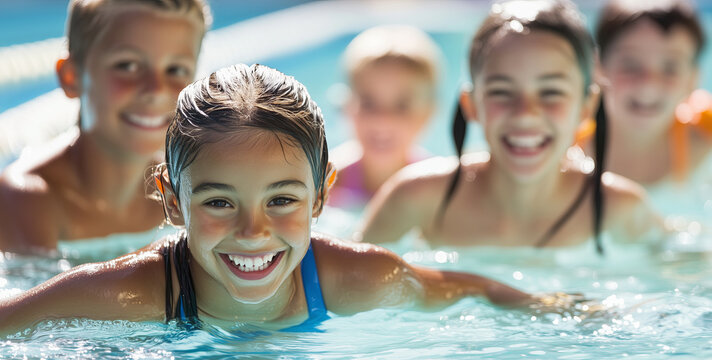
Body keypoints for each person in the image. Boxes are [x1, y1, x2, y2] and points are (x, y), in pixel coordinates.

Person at [0, 64, 581, 335]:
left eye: (281, 200)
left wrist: (554, 310)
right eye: (220, 203)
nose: (253, 231)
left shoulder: (358, 279)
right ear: (172, 203)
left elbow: (471, 288)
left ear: (322, 195)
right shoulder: (134, 290)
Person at [359, 0, 661, 252]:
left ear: (587, 107)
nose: (525, 113)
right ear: (471, 104)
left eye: (551, 92)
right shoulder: (416, 198)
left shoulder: (619, 210)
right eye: (502, 92)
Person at [0, 0, 210, 255]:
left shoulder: (185, 191)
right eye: (127, 65)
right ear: (72, 76)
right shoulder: (28, 199)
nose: (156, 89)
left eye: (175, 69)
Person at [584, 0, 712, 186]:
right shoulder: (569, 146)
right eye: (630, 65)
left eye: (670, 68)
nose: (649, 85)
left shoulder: (710, 132)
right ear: (598, 68)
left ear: (693, 79)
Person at [327, 25, 439, 211]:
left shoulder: (435, 183)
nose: (383, 120)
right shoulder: (328, 181)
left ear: (427, 114)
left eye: (402, 106)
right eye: (368, 103)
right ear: (347, 107)